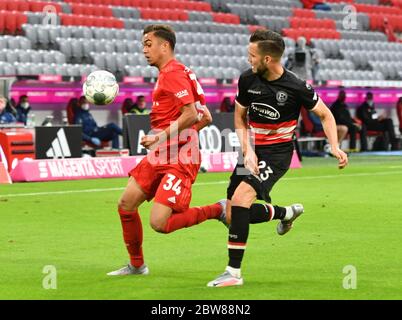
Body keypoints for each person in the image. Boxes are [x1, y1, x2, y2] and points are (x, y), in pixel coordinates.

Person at [207, 29, 348, 287]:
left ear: (268, 59)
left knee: (240, 201)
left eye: (252, 55)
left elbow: (326, 115)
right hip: (253, 150)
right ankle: (286, 213)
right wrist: (247, 150)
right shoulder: (247, 80)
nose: (248, 59)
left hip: (277, 154)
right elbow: (239, 118)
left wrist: (335, 147)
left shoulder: (295, 86)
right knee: (232, 215)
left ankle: (233, 273)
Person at [107, 24, 226, 276]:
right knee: (126, 204)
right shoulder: (180, 71)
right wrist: (181, 136)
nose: (144, 50)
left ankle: (217, 209)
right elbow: (204, 117)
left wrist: (162, 137)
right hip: (164, 153)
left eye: (148, 44)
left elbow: (192, 114)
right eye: (143, 45)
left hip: (179, 158)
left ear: (165, 46)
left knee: (159, 223)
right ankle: (137, 265)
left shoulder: (172, 73)